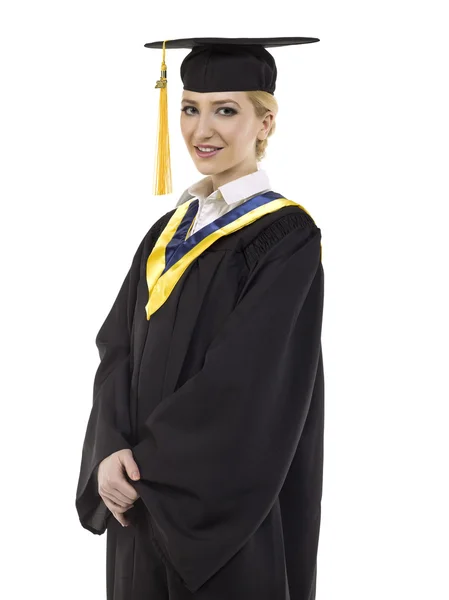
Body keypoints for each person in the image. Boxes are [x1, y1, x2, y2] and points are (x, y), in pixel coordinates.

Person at [75, 36, 325, 599]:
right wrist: (110, 452)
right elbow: (116, 346)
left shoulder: (285, 237)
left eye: (226, 111)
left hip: (219, 514)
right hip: (137, 503)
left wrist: (149, 467)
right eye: (190, 108)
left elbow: (248, 380)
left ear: (266, 124)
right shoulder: (166, 233)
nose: (200, 129)